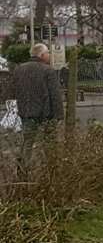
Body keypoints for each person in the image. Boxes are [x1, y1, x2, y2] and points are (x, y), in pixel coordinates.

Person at [13, 42, 63, 170]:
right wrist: (59, 115)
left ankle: (23, 169)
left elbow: (16, 90)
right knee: (49, 142)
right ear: (41, 55)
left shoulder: (19, 69)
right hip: (45, 113)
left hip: (26, 111)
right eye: (47, 53)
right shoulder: (48, 71)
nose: (49, 55)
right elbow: (55, 95)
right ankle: (51, 169)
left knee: (27, 141)